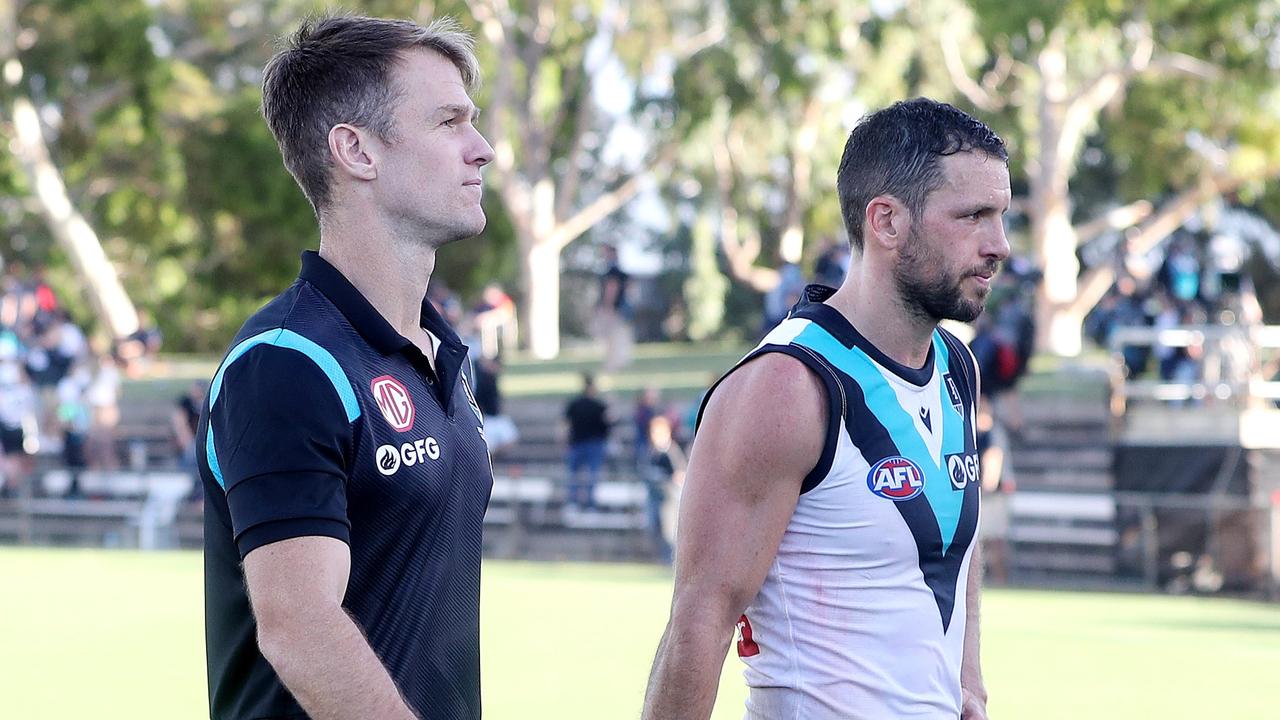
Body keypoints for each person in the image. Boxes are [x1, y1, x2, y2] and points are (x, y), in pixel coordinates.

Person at [643, 98, 1010, 720]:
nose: (999, 245)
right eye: (973, 216)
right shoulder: (786, 386)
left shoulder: (956, 365)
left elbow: (956, 546)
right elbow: (699, 624)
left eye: (1002, 216)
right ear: (887, 223)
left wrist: (967, 679)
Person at [197, 15, 495, 720]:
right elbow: (299, 628)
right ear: (356, 149)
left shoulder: (441, 356)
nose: (481, 150)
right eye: (450, 122)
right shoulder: (286, 364)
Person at [563, 373, 611, 509]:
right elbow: (608, 421)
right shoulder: (598, 405)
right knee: (590, 474)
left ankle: (575, 503)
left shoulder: (575, 404)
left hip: (579, 443)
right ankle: (588, 504)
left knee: (575, 474)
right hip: (591, 444)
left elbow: (565, 424)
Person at [595, 244, 633, 371]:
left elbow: (612, 288)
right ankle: (618, 362)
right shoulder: (620, 272)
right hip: (621, 308)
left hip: (614, 309)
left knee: (613, 337)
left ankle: (614, 364)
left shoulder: (612, 272)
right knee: (618, 336)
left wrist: (608, 306)